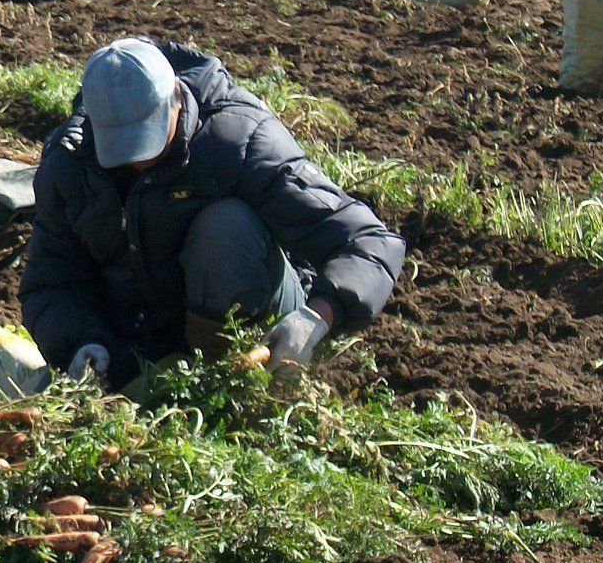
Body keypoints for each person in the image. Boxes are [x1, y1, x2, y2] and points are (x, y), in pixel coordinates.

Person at [21, 38, 405, 391]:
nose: (138, 159)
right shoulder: (71, 165)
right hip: (139, 340)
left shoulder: (240, 142)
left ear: (176, 98)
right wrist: (82, 342)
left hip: (254, 325)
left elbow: (369, 241)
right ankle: (159, 379)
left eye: (148, 135)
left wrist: (317, 318)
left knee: (226, 225)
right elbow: (52, 281)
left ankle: (231, 383)